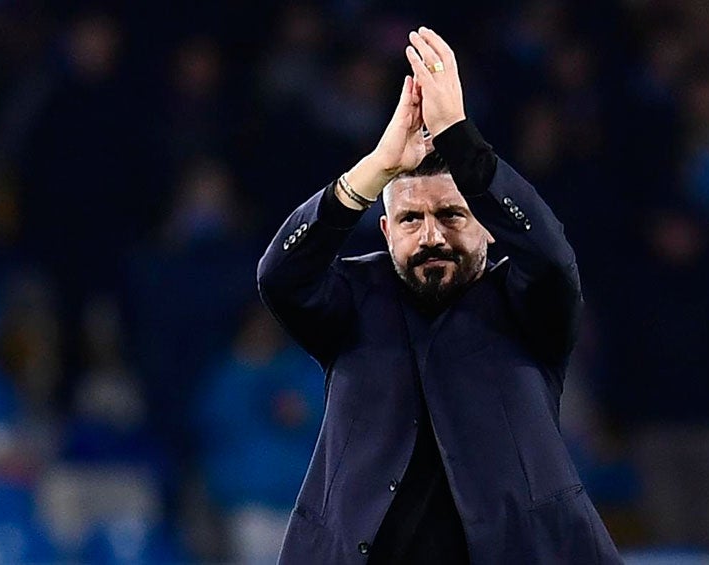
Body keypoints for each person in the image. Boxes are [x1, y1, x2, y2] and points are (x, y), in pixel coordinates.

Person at [257, 27, 621, 563]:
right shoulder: (354, 299)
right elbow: (280, 276)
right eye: (411, 219)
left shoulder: (528, 305)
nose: (431, 236)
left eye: (451, 214)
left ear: (488, 227)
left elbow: (550, 257)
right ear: (386, 231)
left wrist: (461, 139)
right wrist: (375, 169)